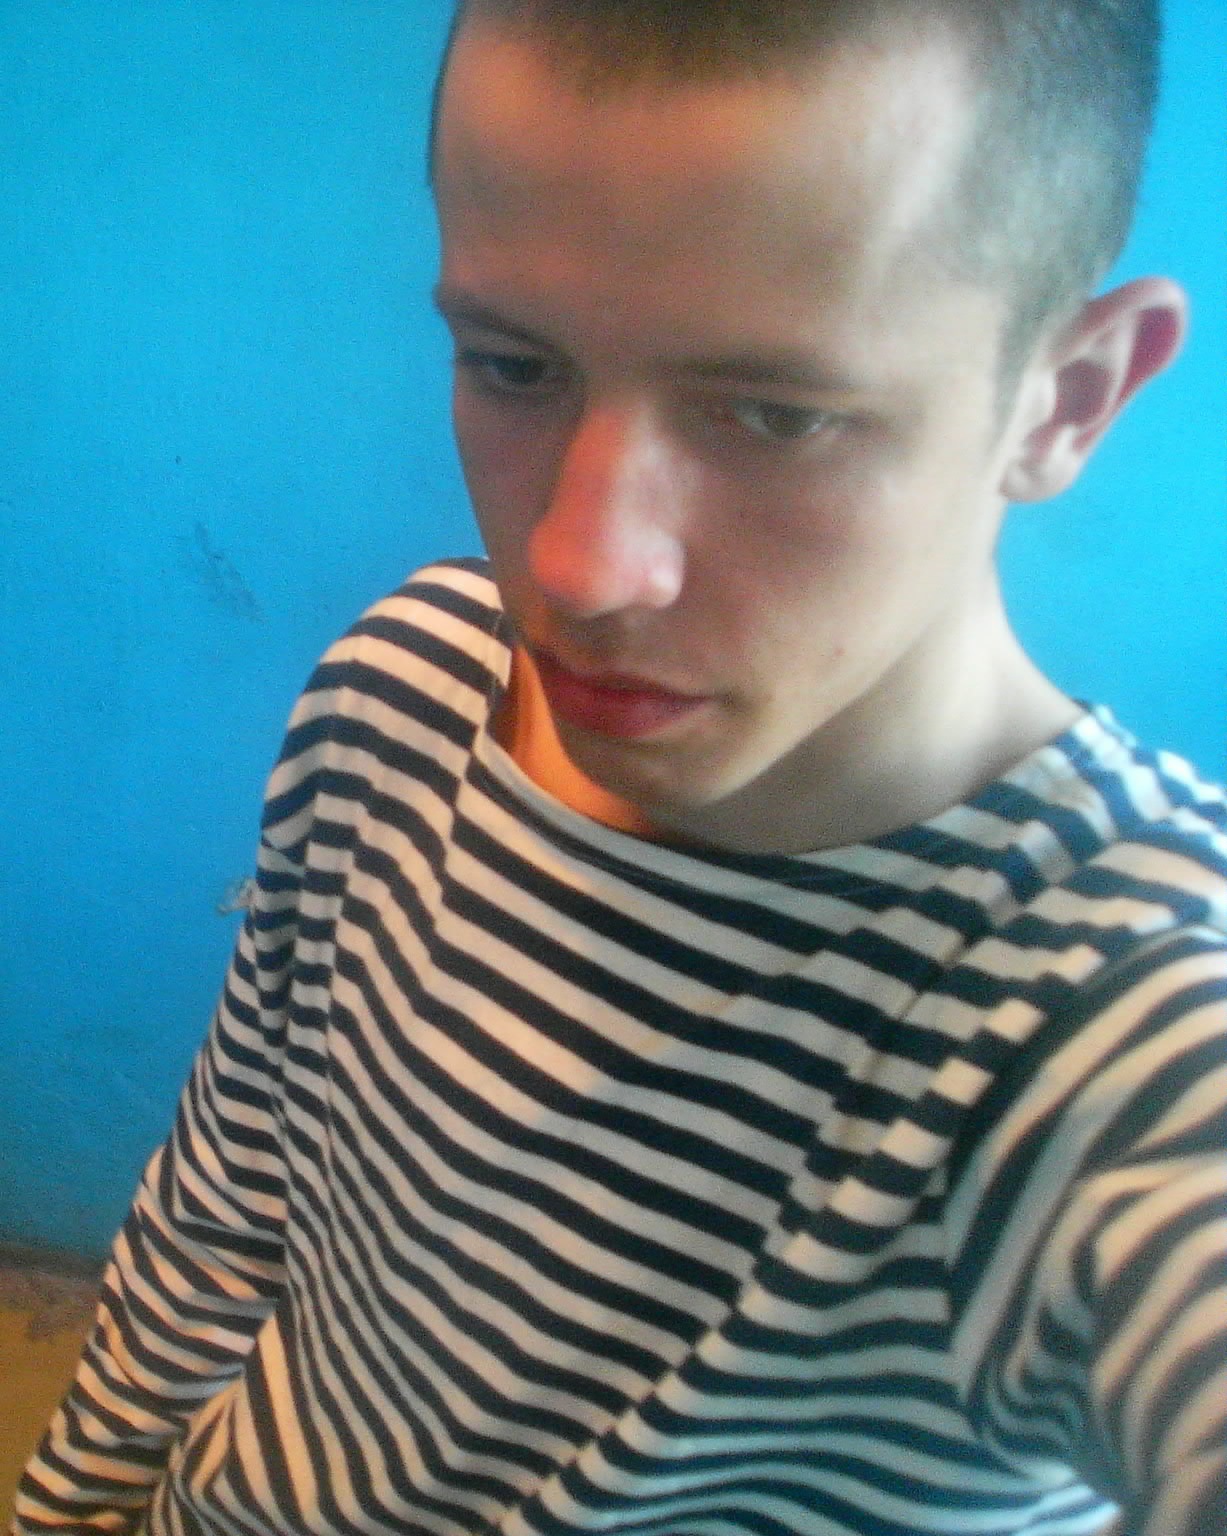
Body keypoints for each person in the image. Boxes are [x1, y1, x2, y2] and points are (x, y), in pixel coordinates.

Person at [12, 1, 1225, 1533]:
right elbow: (230, 1194)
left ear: (1069, 398)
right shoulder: (404, 689)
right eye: (513, 366)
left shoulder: (1107, 1004)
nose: (579, 568)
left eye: (777, 414)